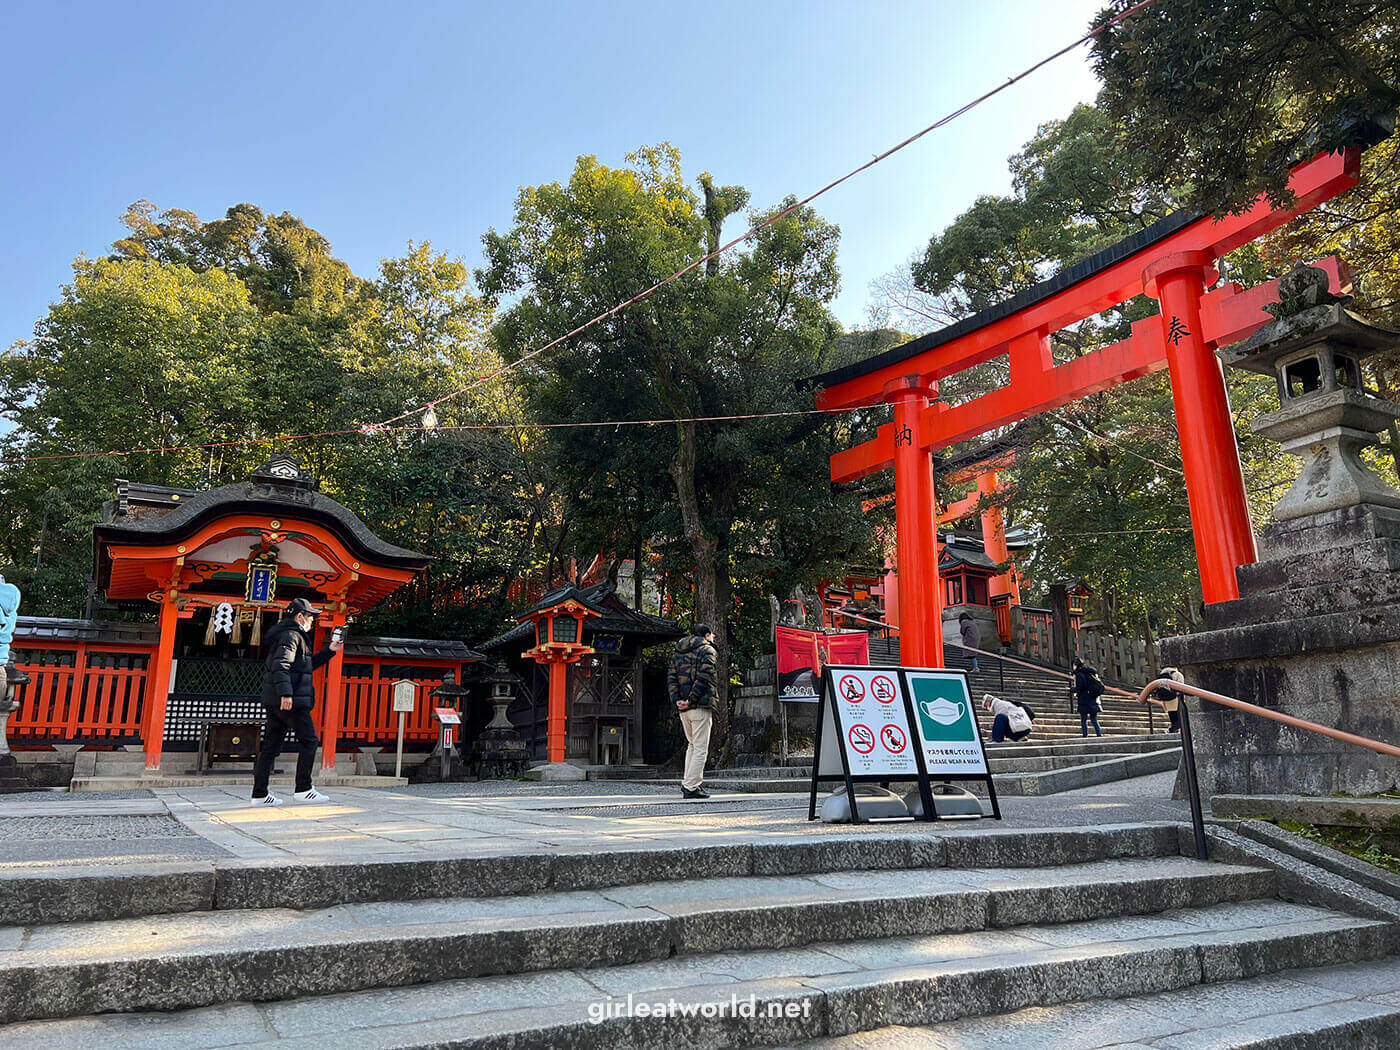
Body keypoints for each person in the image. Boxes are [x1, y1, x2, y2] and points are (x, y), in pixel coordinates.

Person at [250, 597, 342, 806]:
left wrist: (330, 651)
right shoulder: (292, 636)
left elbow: (305, 666)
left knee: (271, 746)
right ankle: (303, 788)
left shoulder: (288, 635)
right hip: (291, 701)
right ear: (300, 616)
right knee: (309, 741)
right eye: (310, 616)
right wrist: (286, 694)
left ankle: (260, 794)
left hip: (278, 700)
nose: (312, 621)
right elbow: (281, 665)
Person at [668, 622, 718, 799]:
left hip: (683, 708)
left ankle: (687, 782)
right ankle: (691, 786)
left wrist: (678, 700)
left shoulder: (678, 652)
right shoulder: (707, 651)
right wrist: (691, 700)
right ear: (706, 635)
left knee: (692, 745)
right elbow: (703, 678)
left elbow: (672, 678)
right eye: (712, 635)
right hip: (700, 705)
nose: (713, 638)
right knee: (700, 748)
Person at [1072, 657, 1105, 737]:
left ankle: (1085, 735)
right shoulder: (1089, 672)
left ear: (1076, 665)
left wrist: (1072, 689)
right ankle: (1099, 734)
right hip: (1093, 698)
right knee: (1094, 719)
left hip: (1084, 700)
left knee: (1083, 720)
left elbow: (1080, 687)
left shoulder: (1079, 674)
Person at [1153, 666, 1186, 733]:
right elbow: (1181, 687)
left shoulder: (1162, 674)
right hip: (1174, 697)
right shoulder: (1177, 674)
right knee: (1178, 715)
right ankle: (1177, 729)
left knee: (1172, 715)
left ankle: (1173, 729)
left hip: (1165, 698)